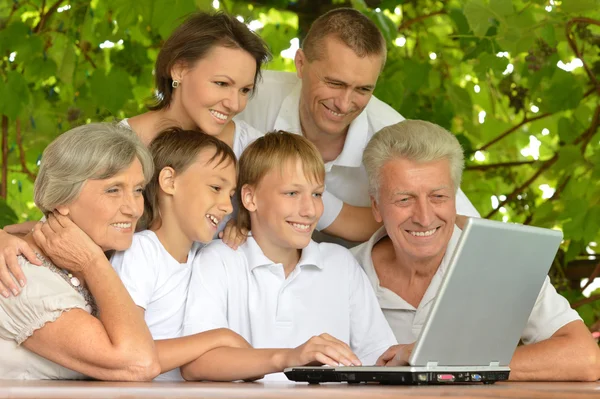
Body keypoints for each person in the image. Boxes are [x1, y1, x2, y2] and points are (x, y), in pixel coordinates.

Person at [0, 11, 270, 266]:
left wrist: (248, 226)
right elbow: (61, 221)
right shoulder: (119, 142)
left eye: (245, 90)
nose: (233, 103)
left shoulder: (253, 150)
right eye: (221, 84)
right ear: (179, 70)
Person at [353, 119, 600, 381]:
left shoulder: (503, 261)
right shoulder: (341, 271)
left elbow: (586, 358)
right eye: (404, 199)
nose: (424, 218)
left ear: (454, 199)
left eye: (438, 196)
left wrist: (439, 362)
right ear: (377, 206)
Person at [236, 8, 480, 245]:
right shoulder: (247, 95)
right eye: (334, 83)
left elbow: (466, 227)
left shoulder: (392, 135)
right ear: (300, 63)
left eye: (363, 89)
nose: (344, 104)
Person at [180, 132, 398, 381]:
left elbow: (378, 356)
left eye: (317, 194)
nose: (309, 210)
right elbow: (197, 364)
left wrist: (402, 359)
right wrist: (290, 358)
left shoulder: (341, 264)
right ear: (250, 198)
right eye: (292, 193)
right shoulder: (219, 261)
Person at [0, 123, 160, 380]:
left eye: (138, 190)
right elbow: (139, 363)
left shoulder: (98, 258)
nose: (133, 209)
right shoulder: (20, 275)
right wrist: (93, 262)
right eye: (113, 190)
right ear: (62, 198)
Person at [110, 127, 252, 381]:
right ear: (169, 182)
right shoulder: (141, 253)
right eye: (216, 187)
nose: (227, 206)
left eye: (230, 195)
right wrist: (220, 337)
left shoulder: (204, 256)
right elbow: (130, 355)